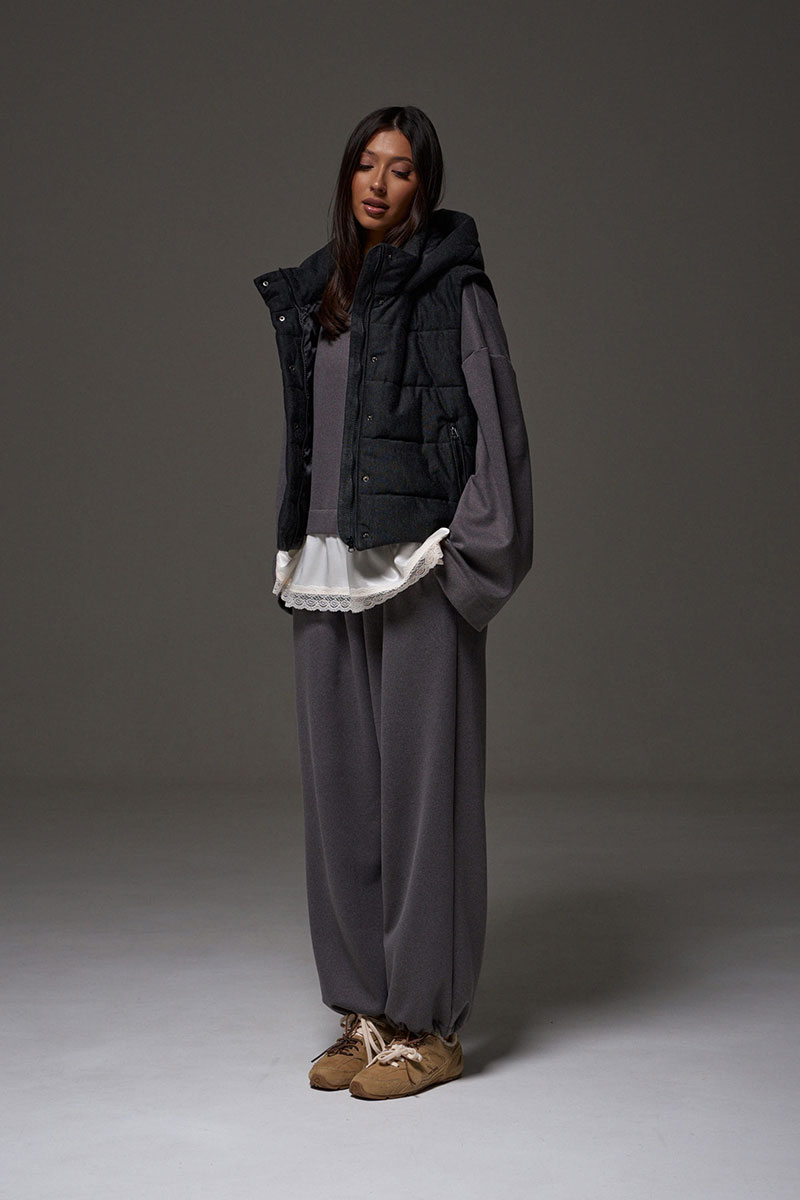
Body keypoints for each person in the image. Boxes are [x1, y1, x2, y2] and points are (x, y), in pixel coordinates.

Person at [253, 105, 533, 1100]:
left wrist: (470, 561)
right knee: (342, 802)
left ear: (426, 184)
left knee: (423, 805)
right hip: (326, 569)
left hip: (415, 568)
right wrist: (295, 538)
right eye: (365, 165)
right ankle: (364, 1012)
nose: (377, 183)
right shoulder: (317, 293)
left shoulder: (455, 290)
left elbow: (497, 426)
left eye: (400, 168)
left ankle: (428, 1026)